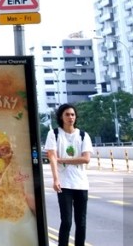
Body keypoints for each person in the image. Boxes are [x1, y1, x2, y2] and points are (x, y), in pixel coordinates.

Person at [44, 103, 92, 246]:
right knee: (66, 221)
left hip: (81, 183)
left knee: (81, 222)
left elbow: (86, 159)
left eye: (72, 114)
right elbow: (52, 157)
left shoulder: (83, 135)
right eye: (67, 114)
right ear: (61, 117)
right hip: (64, 183)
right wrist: (55, 179)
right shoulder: (54, 134)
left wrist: (62, 159)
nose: (70, 117)